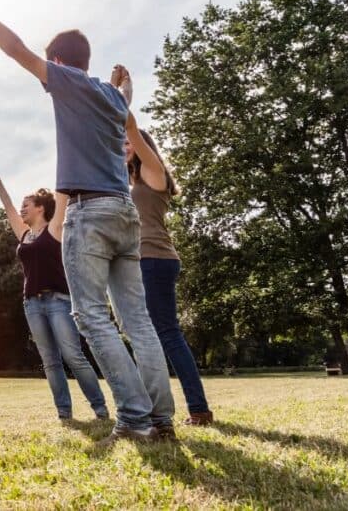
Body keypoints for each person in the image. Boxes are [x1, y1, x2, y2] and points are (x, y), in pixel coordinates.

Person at [0, 0, 174, 442]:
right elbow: (125, 105)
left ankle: (134, 418)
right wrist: (124, 85)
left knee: (91, 316)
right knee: (138, 320)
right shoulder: (113, 98)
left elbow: (15, 48)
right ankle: (161, 418)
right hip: (124, 212)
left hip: (89, 212)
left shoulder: (68, 82)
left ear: (57, 63)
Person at [116, 67, 212, 426]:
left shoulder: (155, 173)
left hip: (155, 260)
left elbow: (128, 127)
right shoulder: (131, 182)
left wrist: (124, 91)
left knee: (167, 333)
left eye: (130, 145)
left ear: (143, 147)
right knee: (149, 334)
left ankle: (199, 410)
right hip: (144, 262)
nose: (125, 148)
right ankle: (156, 404)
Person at [0, 165, 109, 421]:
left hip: (59, 301)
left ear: (40, 207)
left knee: (73, 356)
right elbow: (7, 205)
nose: (21, 209)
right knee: (50, 361)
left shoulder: (55, 229)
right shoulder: (24, 235)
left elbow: (61, 196)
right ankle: (64, 413)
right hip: (32, 304)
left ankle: (100, 408)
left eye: (27, 204)